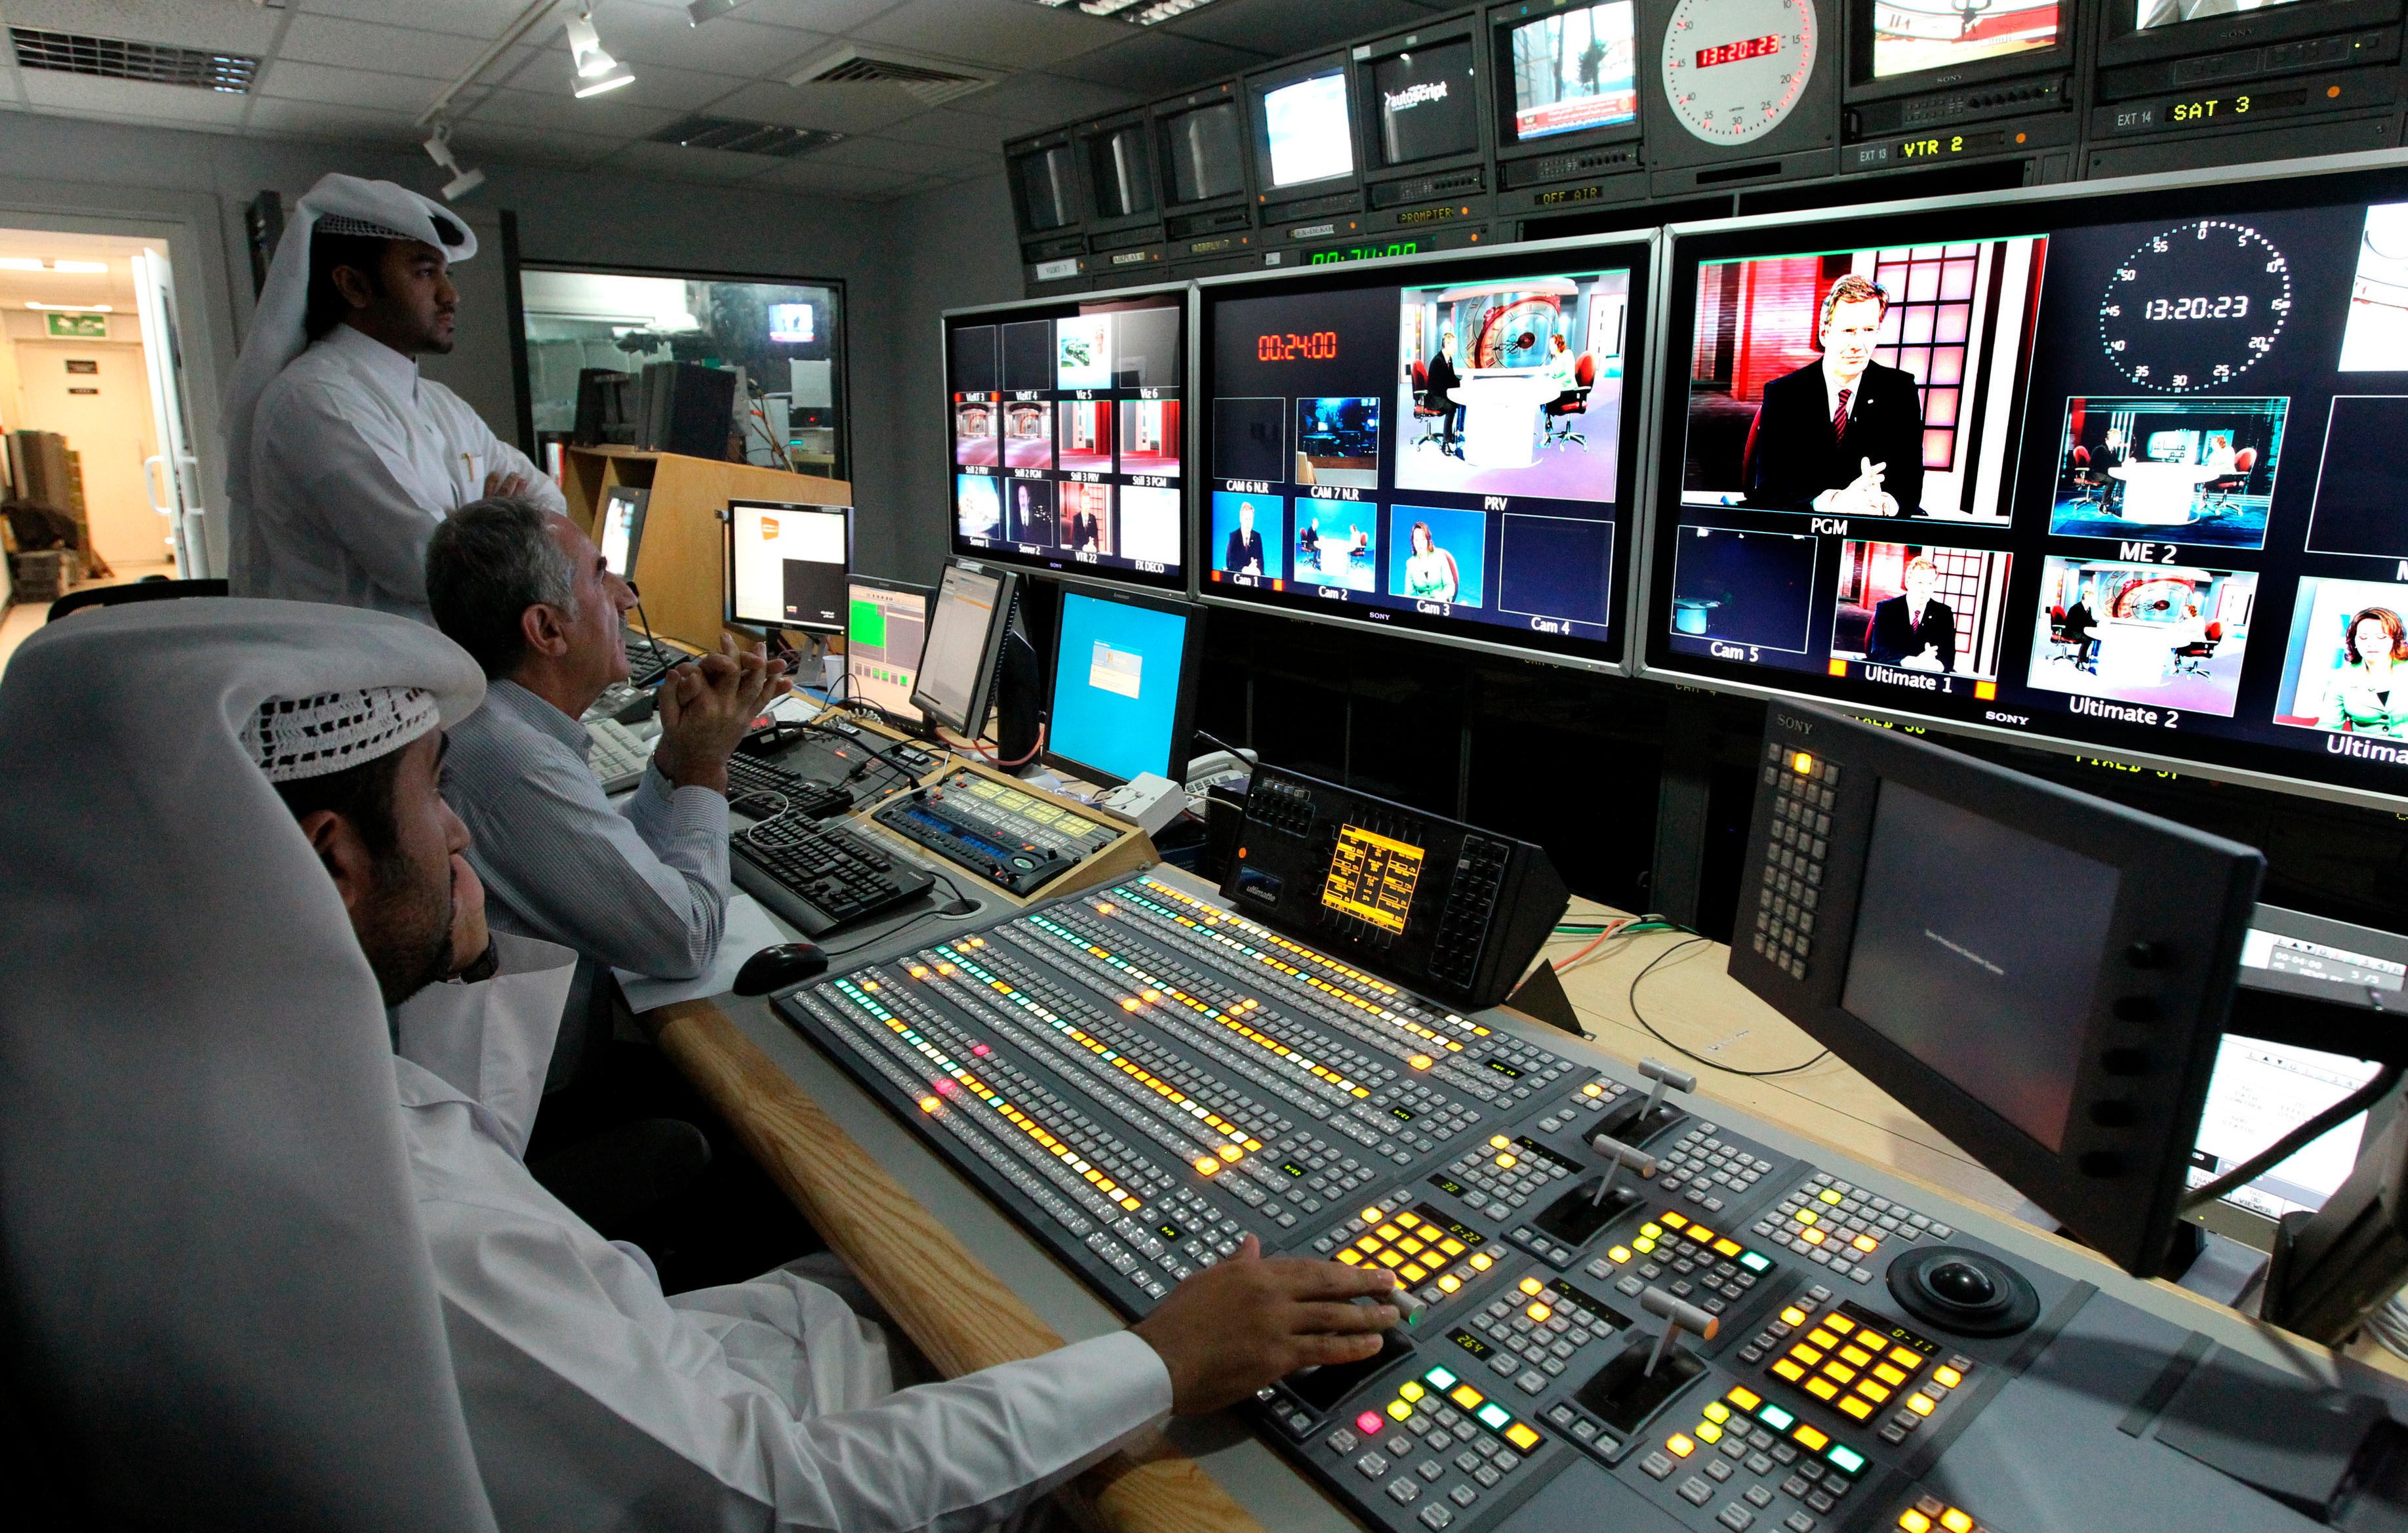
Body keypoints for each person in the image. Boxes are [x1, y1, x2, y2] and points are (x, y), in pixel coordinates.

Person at [0, 597, 1403, 1528]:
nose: (466, 833)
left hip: (689, 1384)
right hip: (781, 1478)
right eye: (437, 799)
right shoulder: (379, 1222)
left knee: (920, 1276)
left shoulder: (156, 1106)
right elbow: (782, 1496)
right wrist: (1158, 1358)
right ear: (327, 862)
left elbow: (509, 1205)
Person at [426, 497, 780, 1089]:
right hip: (540, 1112)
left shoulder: (499, 723)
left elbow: (616, 867)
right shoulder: (515, 763)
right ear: (546, 629)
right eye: (600, 574)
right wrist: (703, 766)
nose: (626, 596)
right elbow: (686, 938)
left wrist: (672, 759)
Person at [226, 174, 565, 624]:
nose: (451, 295)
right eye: (425, 272)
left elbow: (550, 502)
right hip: (358, 683)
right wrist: (498, 523)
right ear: (354, 285)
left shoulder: (440, 403)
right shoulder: (314, 401)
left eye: (447, 273)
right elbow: (428, 569)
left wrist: (477, 529)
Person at [1744, 274, 1925, 518]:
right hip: (1805, 528)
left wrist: (1884, 503)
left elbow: (1910, 484)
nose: (1858, 345)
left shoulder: (1900, 391)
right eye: (1849, 331)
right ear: (1825, 334)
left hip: (1871, 528)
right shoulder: (1784, 394)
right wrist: (1832, 501)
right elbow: (1770, 489)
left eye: (1869, 330)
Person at [2319, 606, 2408, 737]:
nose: (2371, 644)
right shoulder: (2340, 679)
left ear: (2395, 640)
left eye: (2381, 637)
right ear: (2354, 641)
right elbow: (2327, 729)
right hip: (2363, 752)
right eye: (2363, 637)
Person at [1866, 556, 1957, 672]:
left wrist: (1935, 665)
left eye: (1929, 584)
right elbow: (1878, 651)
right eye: (1920, 583)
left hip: (1928, 678)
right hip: (1892, 674)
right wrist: (1912, 662)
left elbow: (1949, 657)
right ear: (1908, 582)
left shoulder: (1944, 613)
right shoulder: (1887, 609)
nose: (1925, 589)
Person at [1425, 329, 1466, 456]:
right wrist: (1454, 392)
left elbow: (1451, 378)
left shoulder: (1448, 359)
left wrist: (1462, 384)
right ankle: (1446, 443)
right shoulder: (1438, 361)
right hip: (1434, 398)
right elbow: (1439, 386)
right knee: (1451, 408)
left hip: (1442, 393)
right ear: (1446, 345)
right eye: (1453, 346)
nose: (1455, 349)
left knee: (1462, 403)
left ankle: (1458, 432)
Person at [1403, 520, 1459, 602]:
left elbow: (1450, 586)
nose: (1419, 544)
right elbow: (1408, 594)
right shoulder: (1410, 564)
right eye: (1416, 540)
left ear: (1428, 540)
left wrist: (1442, 597)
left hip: (1441, 605)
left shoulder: (1440, 556)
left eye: (1422, 539)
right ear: (1413, 542)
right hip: (1421, 608)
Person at [1225, 499, 1267, 574]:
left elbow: (1261, 562)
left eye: (1250, 519)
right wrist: (1246, 570)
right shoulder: (1234, 537)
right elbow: (1231, 564)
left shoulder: (1257, 537)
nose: (1248, 523)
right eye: (1246, 519)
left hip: (1254, 576)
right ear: (1241, 519)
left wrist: (1256, 569)